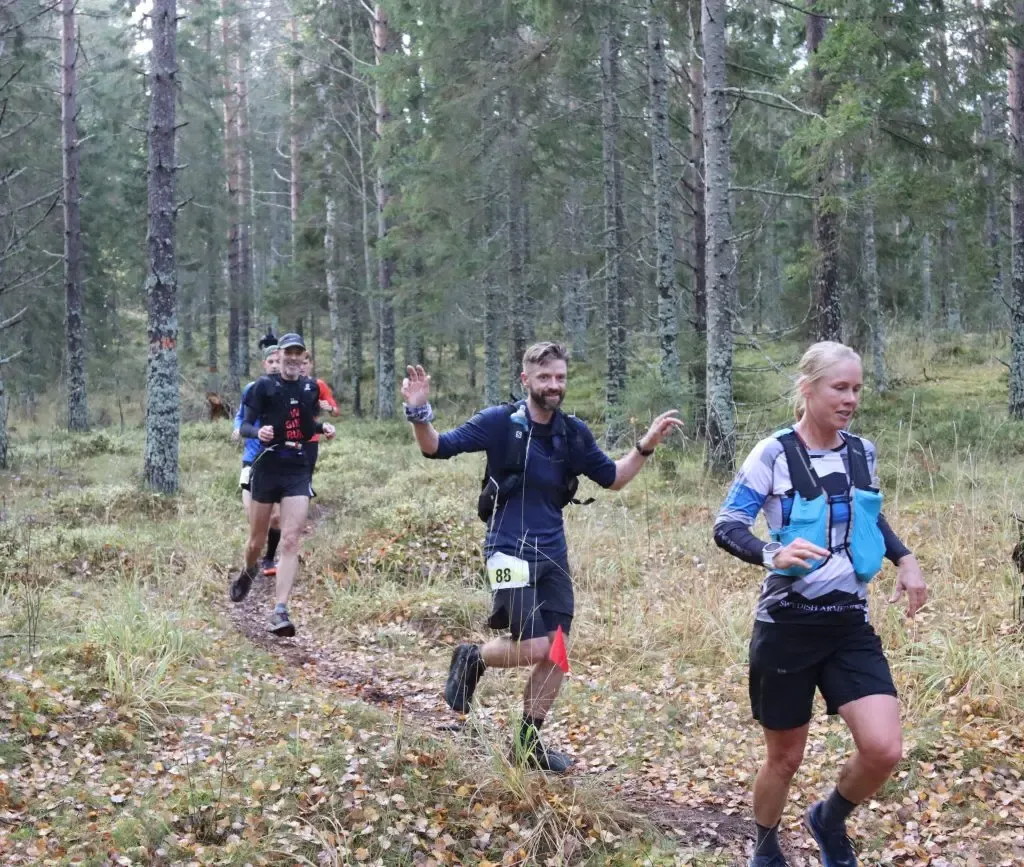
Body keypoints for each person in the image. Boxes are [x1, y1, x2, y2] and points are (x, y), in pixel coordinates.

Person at [403, 341, 683, 774]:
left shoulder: (572, 433)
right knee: (537, 645)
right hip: (506, 548)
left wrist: (645, 445)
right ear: (526, 380)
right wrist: (420, 413)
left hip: (552, 554)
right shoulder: (500, 422)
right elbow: (436, 447)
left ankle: (527, 744)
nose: (554, 386)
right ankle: (474, 656)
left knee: (558, 654)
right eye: (545, 378)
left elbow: (613, 478)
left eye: (560, 378)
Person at [712, 341, 928, 867]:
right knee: (784, 759)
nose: (850, 398)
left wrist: (906, 558)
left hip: (849, 624)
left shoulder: (861, 451)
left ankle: (828, 819)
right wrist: (773, 551)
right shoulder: (774, 453)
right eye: (839, 387)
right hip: (786, 626)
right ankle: (764, 846)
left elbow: (866, 516)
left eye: (856, 388)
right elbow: (727, 524)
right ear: (807, 390)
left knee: (884, 748)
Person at [230, 333, 335, 636]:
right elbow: (246, 425)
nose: (291, 359)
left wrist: (322, 427)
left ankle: (280, 610)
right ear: (280, 356)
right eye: (287, 353)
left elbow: (304, 426)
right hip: (266, 466)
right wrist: (257, 431)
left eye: (297, 354)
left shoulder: (309, 388)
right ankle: (249, 570)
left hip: (297, 468)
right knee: (256, 540)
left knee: (290, 539)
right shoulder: (262, 386)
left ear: (304, 358)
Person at [232, 344, 282, 575]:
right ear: (264, 364)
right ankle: (252, 556)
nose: (274, 365)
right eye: (270, 361)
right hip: (251, 458)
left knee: (275, 517)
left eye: (277, 361)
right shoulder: (252, 388)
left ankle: (270, 559)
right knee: (252, 514)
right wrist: (237, 428)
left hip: (278, 461)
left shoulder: (288, 390)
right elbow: (241, 416)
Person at [300, 351, 339, 477]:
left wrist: (330, 409)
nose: (301, 367)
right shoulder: (286, 383)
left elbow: (335, 411)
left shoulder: (318, 385)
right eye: (299, 363)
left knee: (306, 477)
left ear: (311, 364)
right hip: (288, 437)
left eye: (305, 363)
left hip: (311, 438)